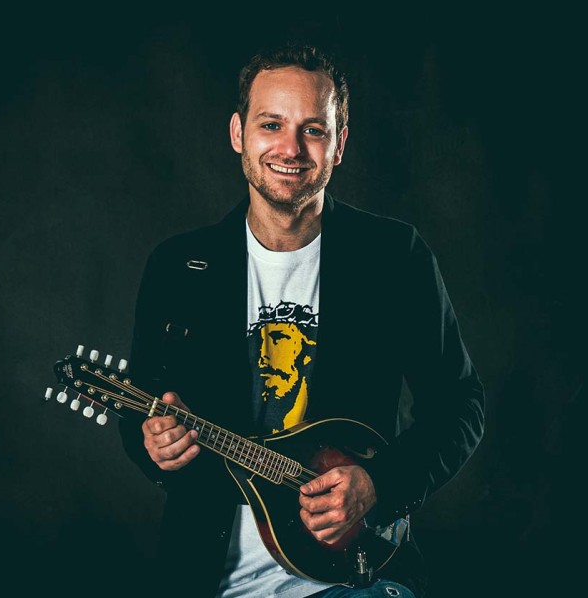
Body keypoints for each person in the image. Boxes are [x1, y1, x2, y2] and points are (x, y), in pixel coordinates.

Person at [119, 42, 485, 598]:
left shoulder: (394, 257)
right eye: (271, 124)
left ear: (340, 144)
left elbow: (460, 404)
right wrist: (154, 444)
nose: (290, 148)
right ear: (238, 133)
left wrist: (378, 485)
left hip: (357, 574)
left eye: (313, 130)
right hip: (208, 579)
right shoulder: (178, 267)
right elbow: (142, 408)